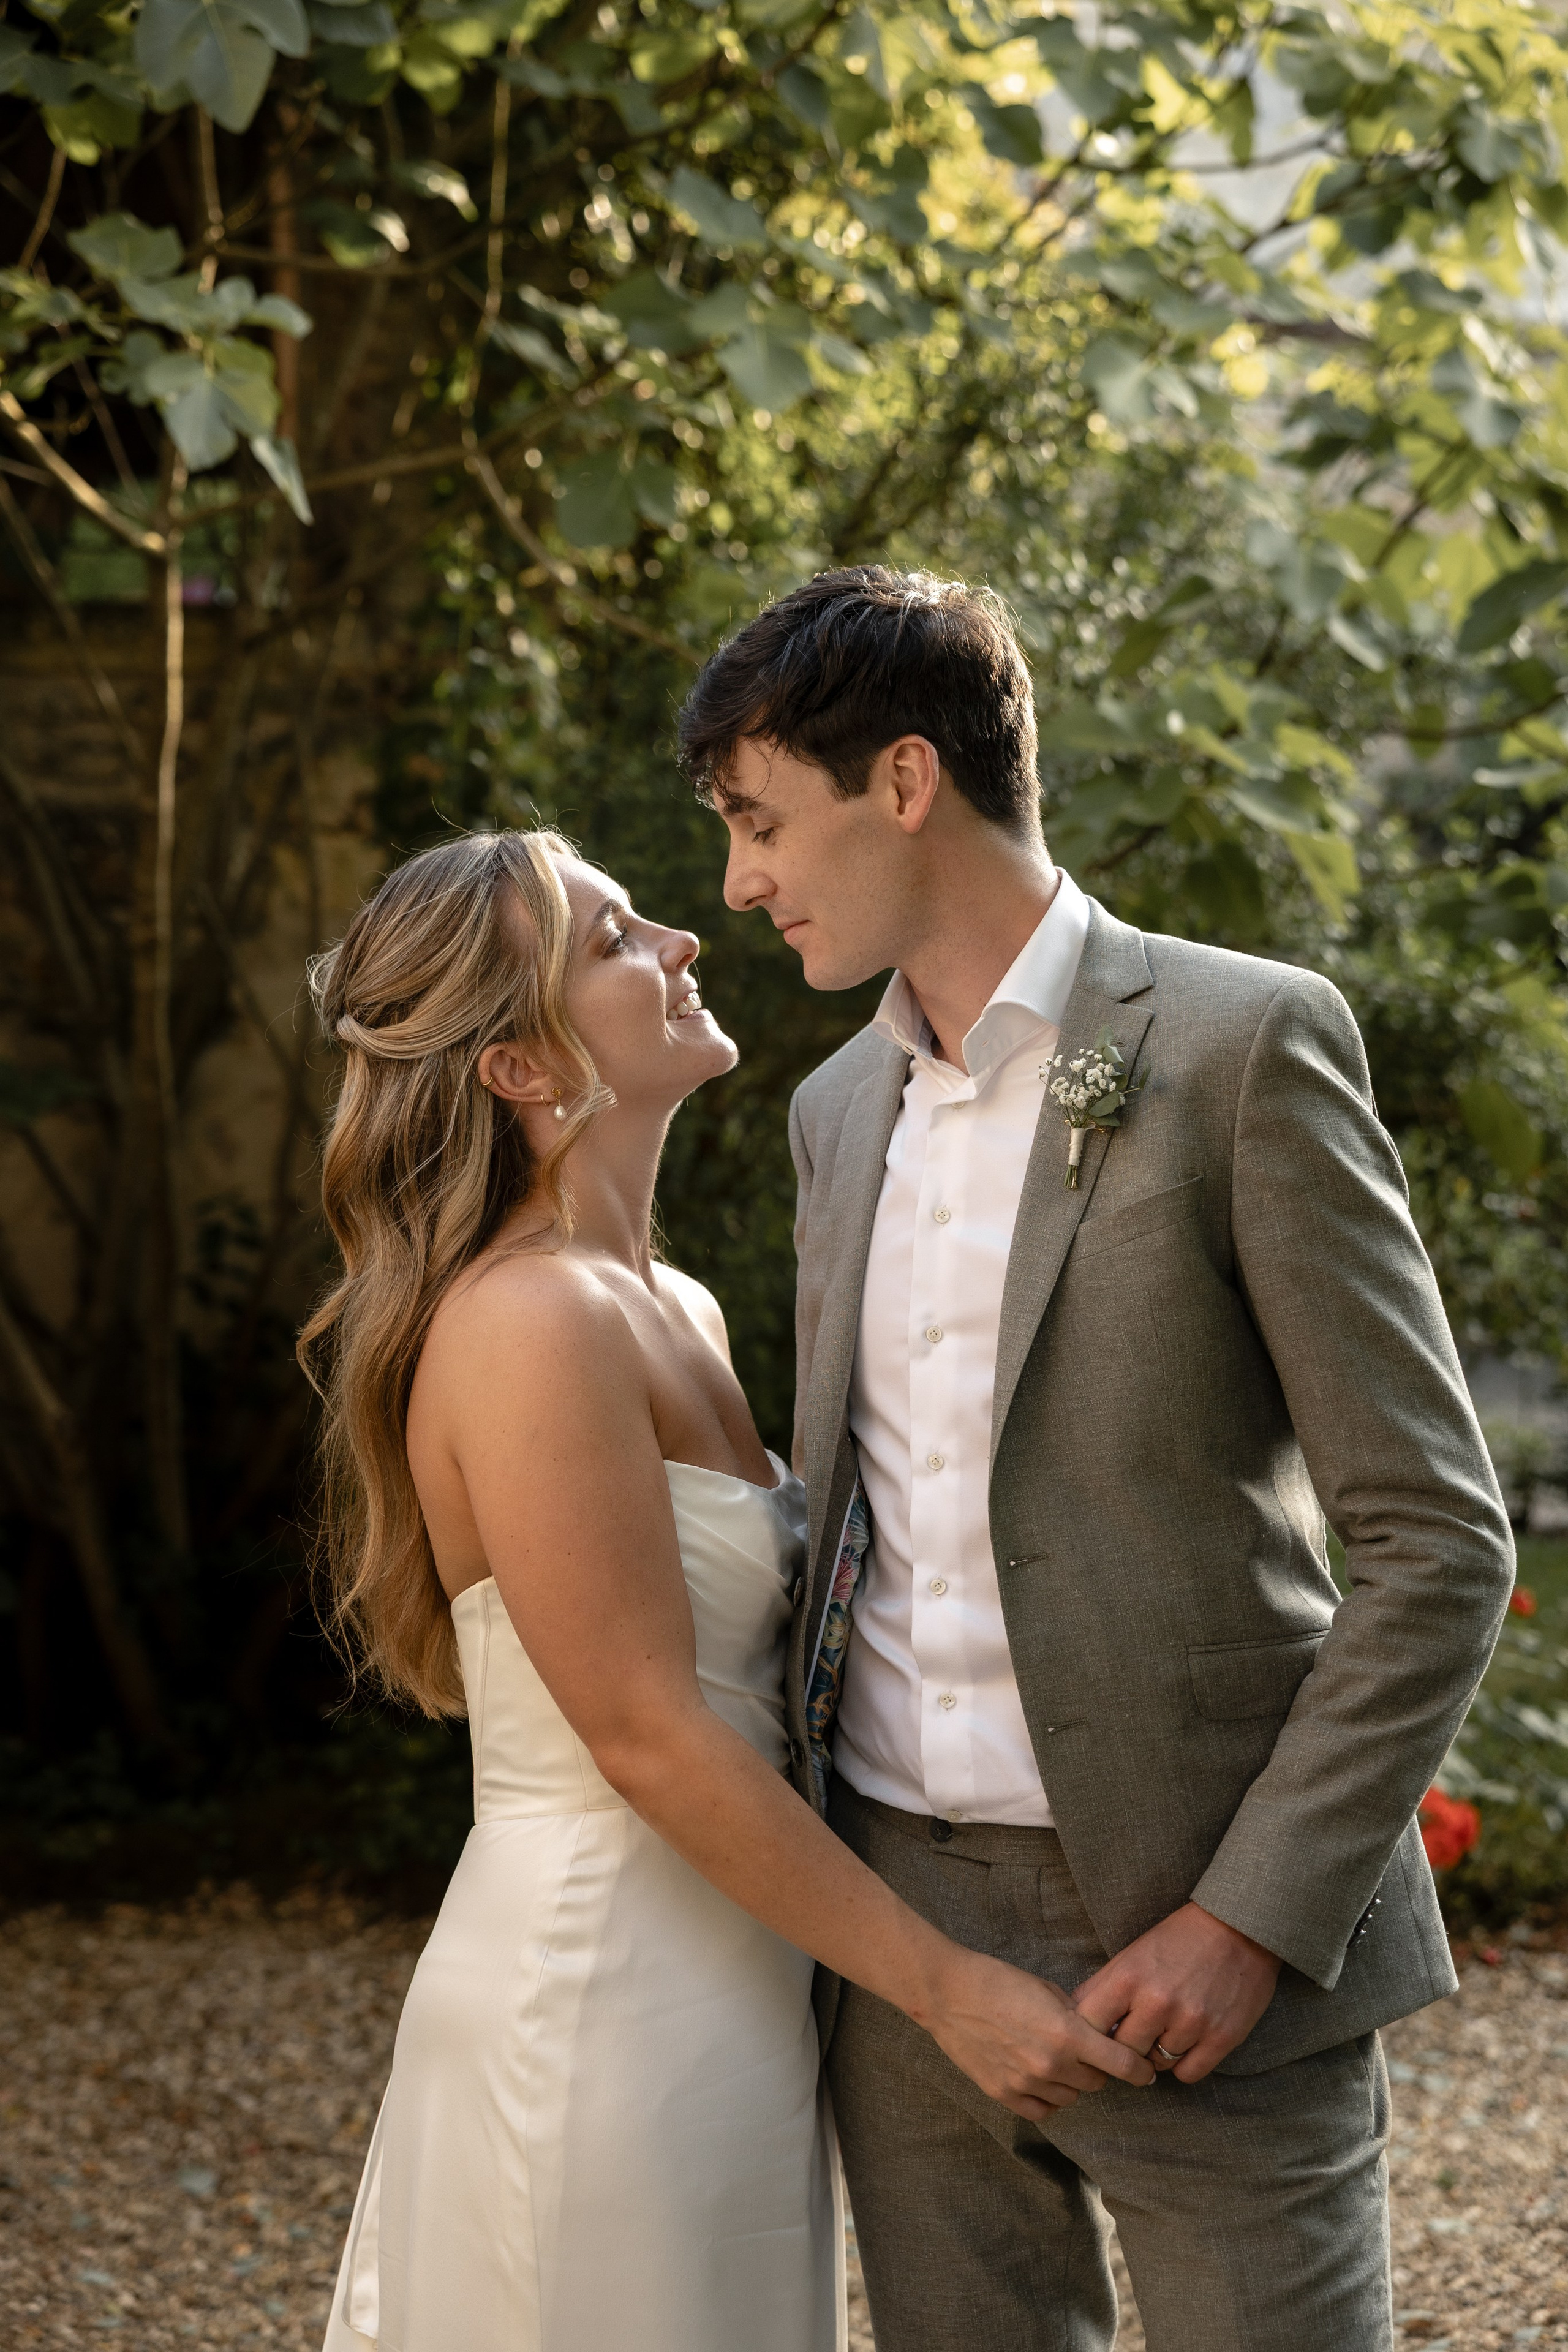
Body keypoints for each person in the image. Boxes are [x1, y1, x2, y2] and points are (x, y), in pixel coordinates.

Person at [679, 566, 1516, 2352]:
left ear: (907, 781)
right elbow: (855, 1530)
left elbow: (1437, 1538)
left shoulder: (1238, 1046)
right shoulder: (838, 1114)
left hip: (1209, 1953)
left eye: (760, 822)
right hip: (907, 1948)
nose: (739, 880)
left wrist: (1250, 1920)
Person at [301, 827, 1156, 2352]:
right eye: (615, 940)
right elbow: (645, 1732)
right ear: (516, 1064)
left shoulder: (666, 1300)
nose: (682, 941)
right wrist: (945, 1986)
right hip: (602, 1987)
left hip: (735, 1970)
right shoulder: (530, 1324)